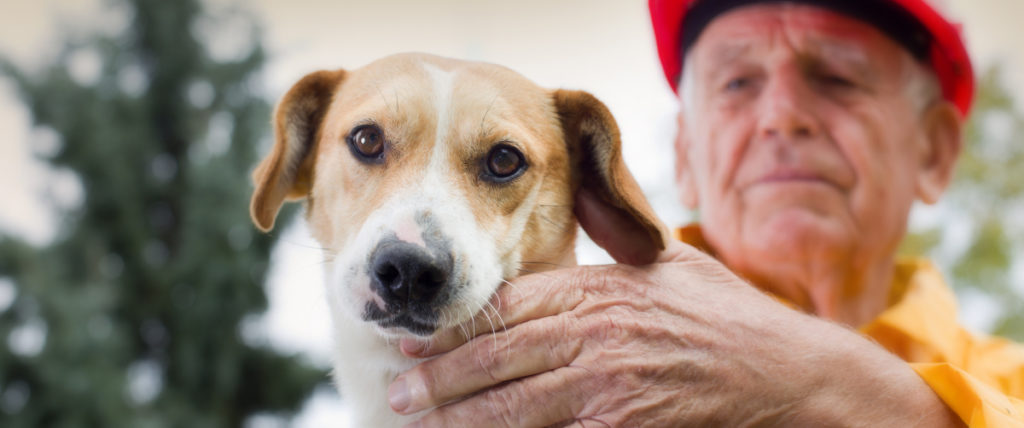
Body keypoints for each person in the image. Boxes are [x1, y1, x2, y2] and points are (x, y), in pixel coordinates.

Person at [385, 0, 1024, 426]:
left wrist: (810, 381)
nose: (780, 117)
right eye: (737, 83)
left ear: (935, 151)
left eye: (836, 78)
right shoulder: (506, 356)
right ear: (684, 153)